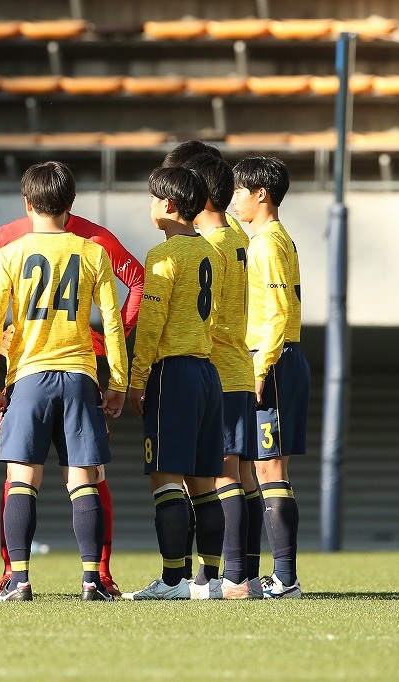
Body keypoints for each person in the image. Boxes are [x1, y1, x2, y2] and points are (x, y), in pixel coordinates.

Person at [0, 175, 144, 598]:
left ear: (26, 201)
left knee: (22, 479)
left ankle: (19, 580)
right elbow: (112, 323)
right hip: (80, 376)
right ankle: (92, 580)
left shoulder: (7, 252)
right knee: (84, 479)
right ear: (71, 203)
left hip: (28, 378)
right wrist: (117, 380)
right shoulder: (93, 251)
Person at [122, 166, 226, 600]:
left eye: (152, 199)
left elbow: (150, 325)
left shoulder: (162, 257)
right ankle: (214, 580)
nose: (149, 206)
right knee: (204, 482)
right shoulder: (212, 254)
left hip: (174, 373)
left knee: (165, 479)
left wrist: (136, 379)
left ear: (167, 205)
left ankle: (172, 581)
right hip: (207, 372)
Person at [182, 152, 261, 599]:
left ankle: (232, 578)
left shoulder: (208, 245)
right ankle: (244, 572)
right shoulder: (236, 237)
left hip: (220, 367)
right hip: (238, 366)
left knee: (225, 474)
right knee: (243, 474)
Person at [231, 155, 310, 599]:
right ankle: (257, 577)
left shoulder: (268, 244)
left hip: (273, 362)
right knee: (255, 468)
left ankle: (286, 579)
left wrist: (260, 370)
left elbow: (279, 316)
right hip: (265, 360)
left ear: (262, 194)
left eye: (240, 191)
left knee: (268, 465)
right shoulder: (264, 240)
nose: (234, 200)